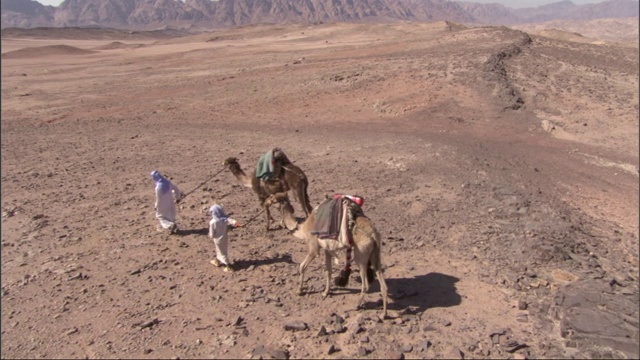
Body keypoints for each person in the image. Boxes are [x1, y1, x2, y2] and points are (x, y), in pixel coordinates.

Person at [208, 204, 240, 272]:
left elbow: (211, 234)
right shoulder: (224, 219)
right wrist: (237, 224)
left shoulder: (212, 222)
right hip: (224, 237)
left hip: (217, 239)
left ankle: (228, 265)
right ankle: (217, 260)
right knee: (221, 250)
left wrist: (211, 236)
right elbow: (232, 221)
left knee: (222, 252)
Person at [150, 170, 181, 234]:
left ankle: (170, 226)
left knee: (160, 217)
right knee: (170, 216)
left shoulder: (158, 187)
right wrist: (178, 197)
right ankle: (172, 228)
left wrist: (156, 206)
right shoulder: (168, 182)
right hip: (171, 203)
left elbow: (158, 199)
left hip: (162, 205)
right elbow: (176, 189)